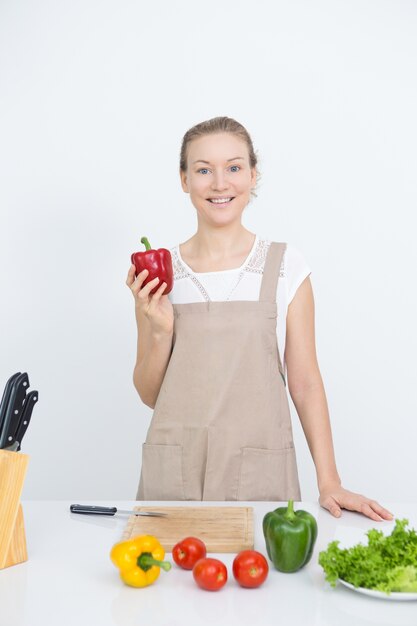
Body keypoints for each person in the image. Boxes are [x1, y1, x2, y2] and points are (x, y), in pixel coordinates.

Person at [126, 116, 393, 521]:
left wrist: (330, 481)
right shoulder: (159, 274)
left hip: (260, 476)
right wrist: (161, 332)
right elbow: (149, 394)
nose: (220, 183)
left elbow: (303, 381)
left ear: (253, 175)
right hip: (174, 481)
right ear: (184, 180)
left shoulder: (285, 266)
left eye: (233, 168)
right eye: (203, 170)